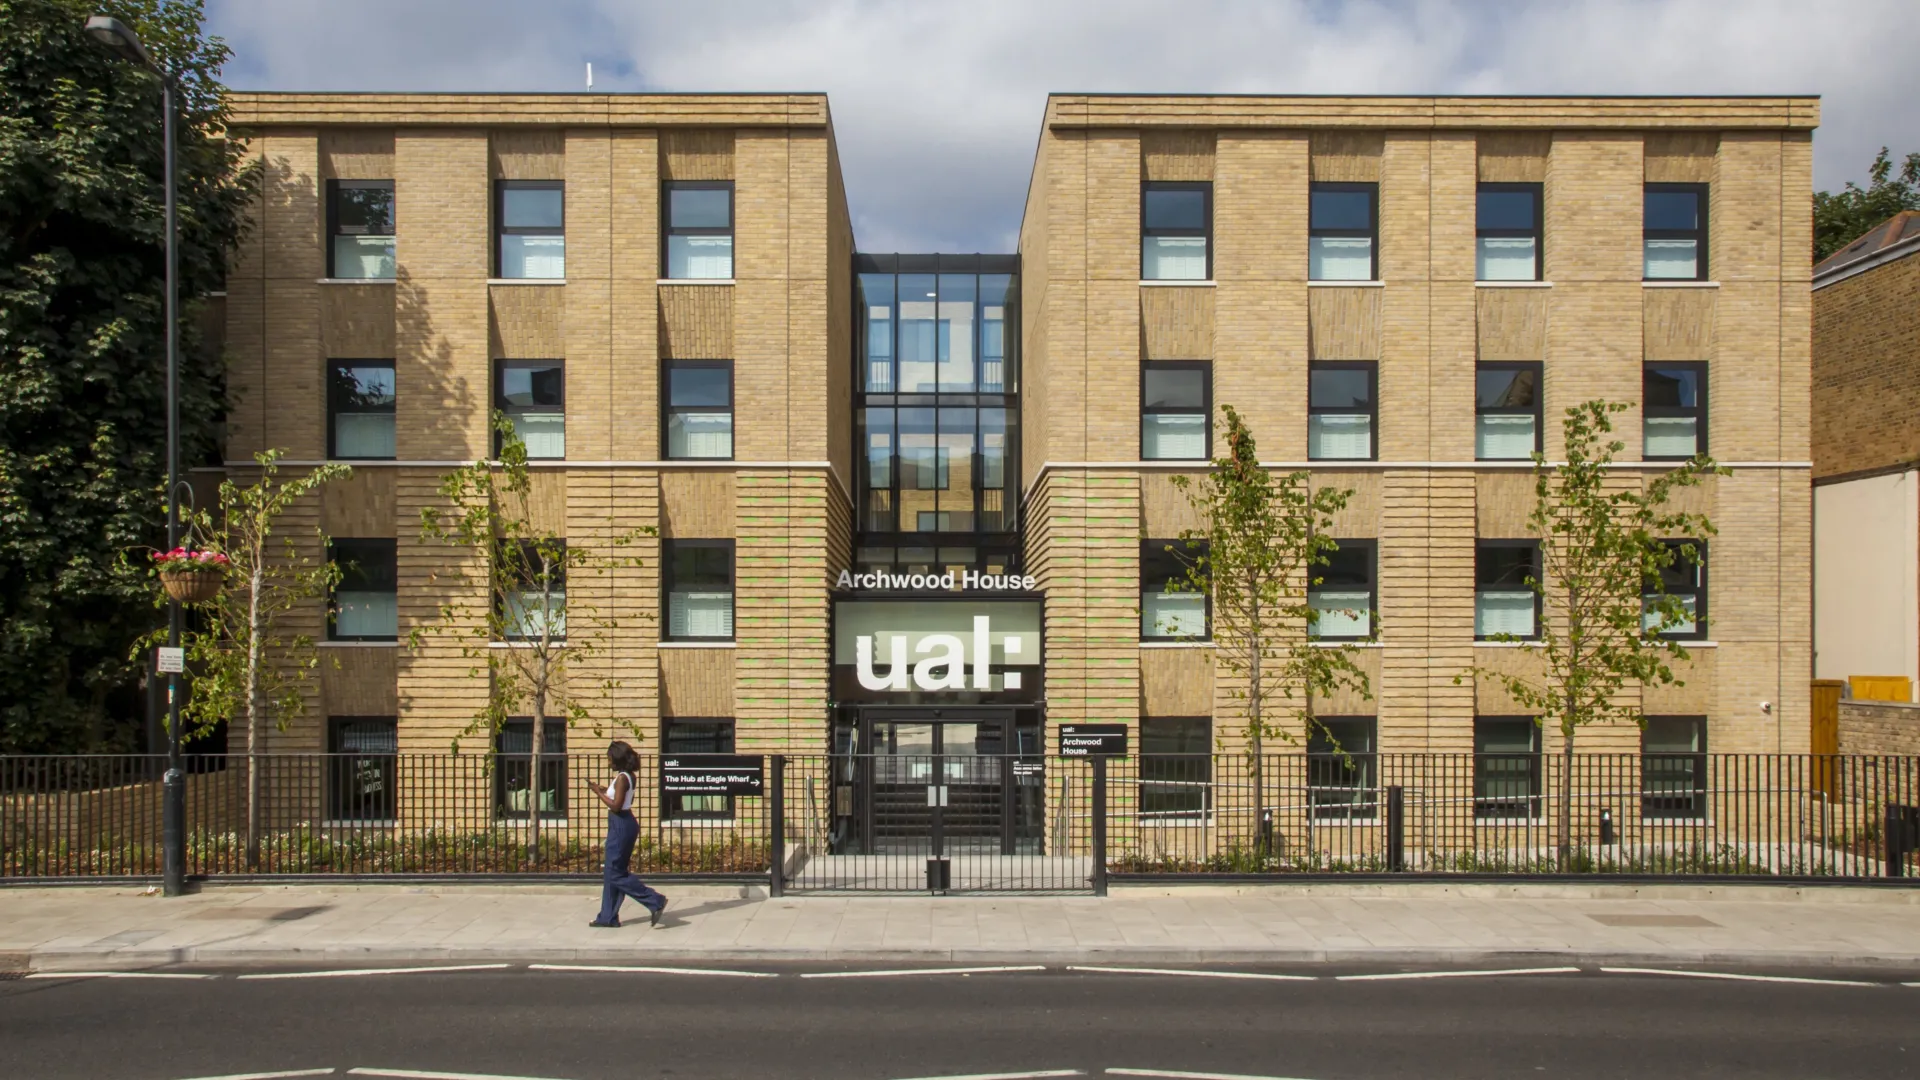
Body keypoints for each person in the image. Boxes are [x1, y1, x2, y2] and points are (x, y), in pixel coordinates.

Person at [586, 741, 668, 928]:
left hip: (621, 824)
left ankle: (655, 900)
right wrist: (602, 790)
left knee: (615, 873)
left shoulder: (623, 778)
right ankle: (607, 917)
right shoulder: (627, 776)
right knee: (611, 871)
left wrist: (599, 793)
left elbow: (616, 805)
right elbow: (619, 799)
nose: (608, 762)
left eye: (609, 758)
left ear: (617, 758)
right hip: (623, 823)